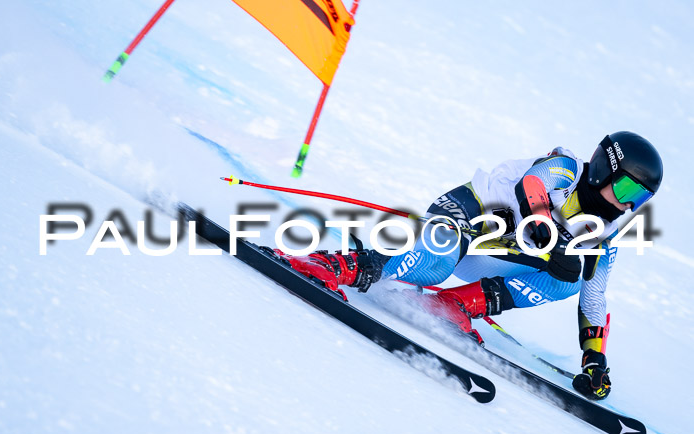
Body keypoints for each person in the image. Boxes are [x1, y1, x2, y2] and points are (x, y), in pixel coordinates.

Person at [272, 131, 663, 400]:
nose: (628, 205)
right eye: (627, 189)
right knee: (437, 262)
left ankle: (456, 306)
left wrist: (594, 358)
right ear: (603, 169)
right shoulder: (567, 167)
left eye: (640, 199)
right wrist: (553, 237)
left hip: (494, 255)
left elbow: (594, 298)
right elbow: (532, 187)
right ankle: (335, 264)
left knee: (572, 279)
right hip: (467, 216)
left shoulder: (604, 234)